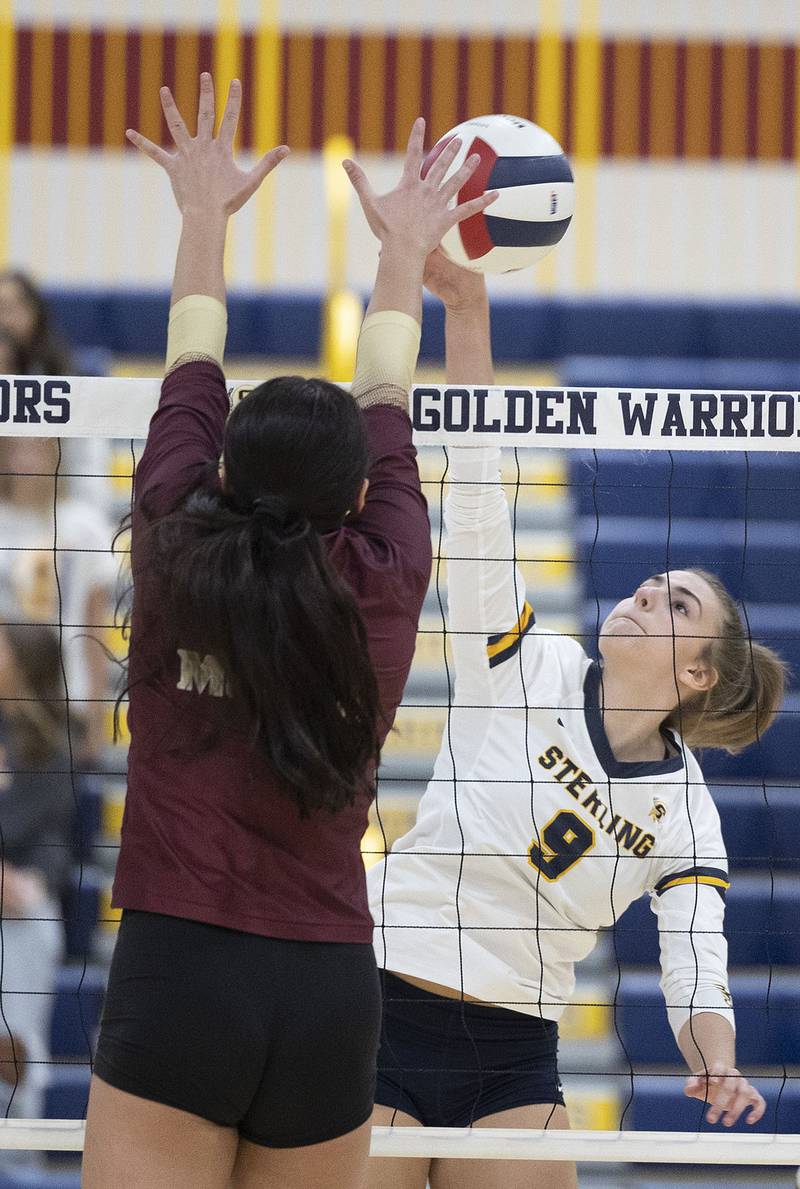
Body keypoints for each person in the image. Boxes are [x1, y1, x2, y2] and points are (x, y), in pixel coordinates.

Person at [81, 73, 497, 1189]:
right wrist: (404, 252)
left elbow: (187, 370)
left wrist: (203, 216)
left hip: (180, 962)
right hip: (326, 986)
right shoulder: (386, 570)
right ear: (358, 495)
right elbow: (386, 396)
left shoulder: (173, 552)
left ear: (218, 471)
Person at [366, 250, 785, 1189]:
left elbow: (696, 964)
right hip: (380, 1003)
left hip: (515, 1047)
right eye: (653, 582)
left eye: (677, 604)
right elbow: (473, 499)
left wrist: (712, 1053)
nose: (646, 591)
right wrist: (466, 313)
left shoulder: (687, 816)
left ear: (697, 671)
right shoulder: (522, 658)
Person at [0, 621, 73, 1157]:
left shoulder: (53, 739)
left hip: (22, 903)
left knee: (30, 911)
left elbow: (42, 837)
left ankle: (17, 1137)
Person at [0, 434, 116, 766]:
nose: (27, 459)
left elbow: (96, 628)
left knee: (50, 808)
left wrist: (96, 715)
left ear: (55, 453)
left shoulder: (84, 525)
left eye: (37, 448)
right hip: (7, 697)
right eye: (18, 448)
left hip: (66, 699)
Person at [0, 270, 73, 376]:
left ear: (36, 311)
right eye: (2, 308)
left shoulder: (54, 360)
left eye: (15, 307)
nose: (8, 319)